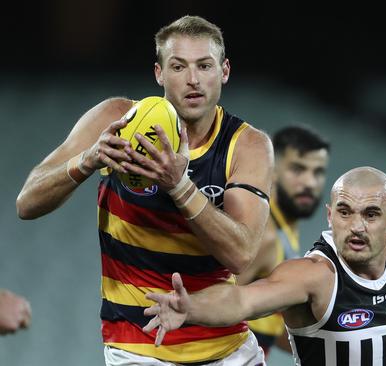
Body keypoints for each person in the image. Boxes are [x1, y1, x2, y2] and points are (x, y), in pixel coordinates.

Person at [16, 15, 273, 365]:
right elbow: (27, 202)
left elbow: (241, 256)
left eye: (204, 66)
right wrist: (87, 161)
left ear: (224, 71)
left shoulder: (247, 145)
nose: (193, 80)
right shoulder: (117, 119)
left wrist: (179, 187)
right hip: (138, 348)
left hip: (228, 348)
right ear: (159, 73)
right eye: (178, 66)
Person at [142, 166, 386, 365]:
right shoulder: (314, 276)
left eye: (371, 215)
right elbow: (243, 299)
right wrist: (192, 307)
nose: (356, 226)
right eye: (345, 213)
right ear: (330, 217)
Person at [236, 125, 330, 356]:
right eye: (298, 169)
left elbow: (267, 326)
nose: (310, 182)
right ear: (273, 170)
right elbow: (208, 313)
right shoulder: (263, 235)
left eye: (318, 172)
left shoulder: (283, 230)